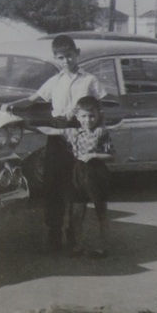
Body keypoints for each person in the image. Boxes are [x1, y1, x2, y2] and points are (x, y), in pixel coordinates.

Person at [2, 34, 107, 252]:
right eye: (61, 57)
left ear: (77, 54)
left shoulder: (89, 80)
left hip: (79, 133)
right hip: (57, 136)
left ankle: (74, 235)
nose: (66, 61)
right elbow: (32, 100)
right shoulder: (55, 81)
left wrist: (94, 134)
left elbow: (101, 108)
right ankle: (54, 233)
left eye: (69, 56)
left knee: (77, 185)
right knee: (53, 184)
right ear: (55, 58)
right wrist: (11, 105)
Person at [59, 95, 114, 258]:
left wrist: (94, 155)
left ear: (98, 115)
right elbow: (51, 131)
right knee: (77, 211)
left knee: (100, 210)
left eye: (92, 116)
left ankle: (102, 246)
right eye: (83, 116)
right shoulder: (74, 132)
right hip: (78, 172)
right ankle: (78, 245)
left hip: (96, 172)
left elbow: (112, 155)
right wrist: (27, 125)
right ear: (77, 116)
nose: (88, 120)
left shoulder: (101, 133)